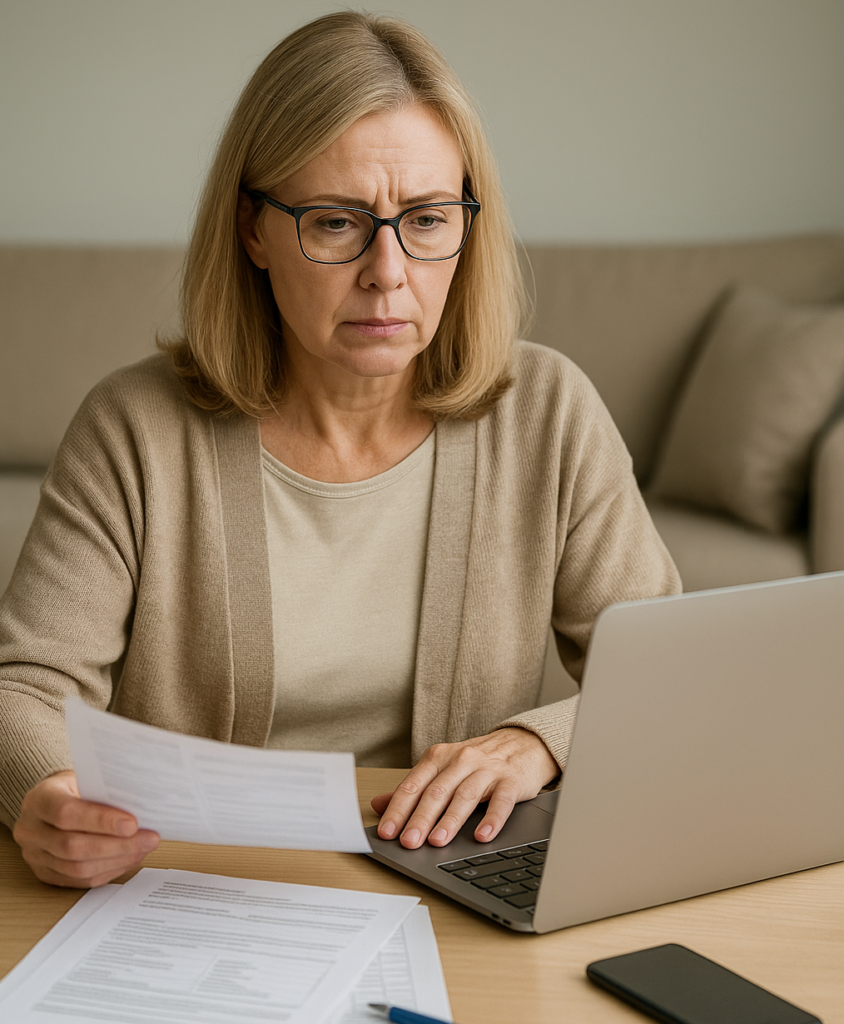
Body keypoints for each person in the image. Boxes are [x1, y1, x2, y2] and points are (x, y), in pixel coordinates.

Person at [0, 11, 680, 889]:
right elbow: (22, 688)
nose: (388, 272)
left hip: (452, 886)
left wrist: (538, 742)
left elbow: (668, 684)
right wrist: (49, 794)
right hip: (187, 889)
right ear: (254, 230)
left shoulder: (547, 411)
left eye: (428, 219)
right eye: (335, 223)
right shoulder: (133, 427)